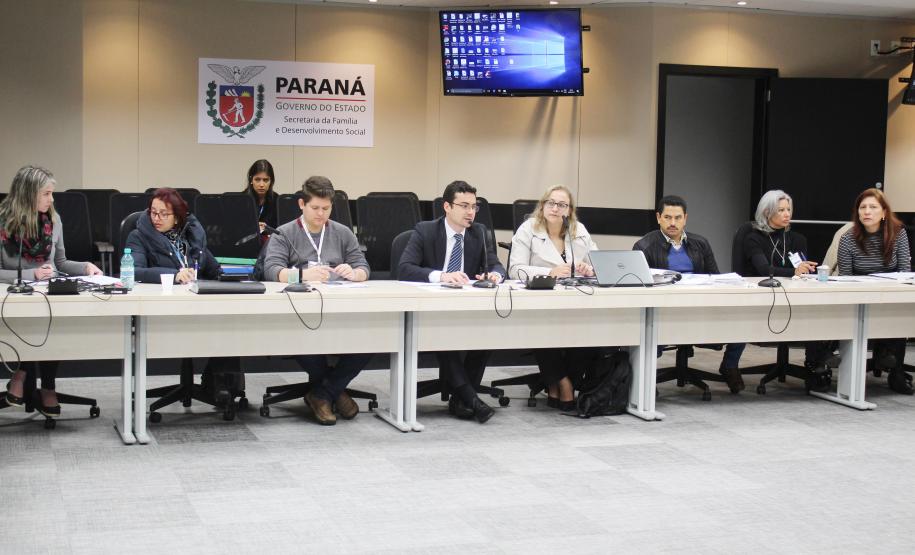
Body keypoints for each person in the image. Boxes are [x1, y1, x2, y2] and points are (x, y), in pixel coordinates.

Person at [263, 176, 371, 425]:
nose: (321, 214)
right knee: (305, 336)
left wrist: (355, 274)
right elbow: (271, 270)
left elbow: (364, 267)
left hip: (340, 310)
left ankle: (323, 393)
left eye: (326, 208)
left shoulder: (342, 233)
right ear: (302, 204)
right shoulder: (285, 233)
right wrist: (301, 274)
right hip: (300, 313)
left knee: (373, 337)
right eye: (315, 208)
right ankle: (333, 391)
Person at [0, 165, 103, 417]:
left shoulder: (53, 221)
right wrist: (29, 274)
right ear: (28, 194)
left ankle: (44, 385)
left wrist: (86, 267)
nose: (52, 199)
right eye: (46, 193)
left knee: (49, 322)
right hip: (13, 298)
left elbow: (61, 264)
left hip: (48, 296)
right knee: (33, 324)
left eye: (51, 193)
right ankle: (24, 374)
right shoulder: (4, 225)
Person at [398, 180, 504, 423]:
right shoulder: (425, 230)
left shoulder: (478, 233)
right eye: (464, 205)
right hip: (430, 308)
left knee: (488, 331)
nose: (470, 212)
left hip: (466, 306)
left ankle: (461, 399)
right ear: (447, 206)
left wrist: (495, 275)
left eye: (474, 206)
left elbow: (495, 264)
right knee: (442, 331)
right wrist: (441, 276)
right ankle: (470, 398)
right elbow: (404, 269)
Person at [125, 188, 242, 403]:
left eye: (164, 214)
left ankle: (219, 381)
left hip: (195, 307)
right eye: (153, 212)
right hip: (161, 310)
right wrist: (174, 275)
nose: (156, 218)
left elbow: (213, 267)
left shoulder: (191, 236)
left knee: (232, 320)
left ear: (178, 217)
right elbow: (135, 272)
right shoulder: (138, 236)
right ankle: (217, 383)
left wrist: (236, 276)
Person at [633, 195, 747, 393]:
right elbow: (640, 286)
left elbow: (716, 277)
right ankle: (647, 376)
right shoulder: (644, 246)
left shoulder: (700, 243)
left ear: (685, 218)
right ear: (658, 217)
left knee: (742, 320)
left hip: (699, 305)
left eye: (678, 218)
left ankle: (730, 366)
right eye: (668, 217)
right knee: (648, 332)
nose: (673, 223)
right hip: (662, 310)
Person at [508, 185, 600, 410]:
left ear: (569, 210)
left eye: (562, 204)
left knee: (591, 328)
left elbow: (598, 261)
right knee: (544, 327)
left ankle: (564, 382)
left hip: (575, 299)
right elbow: (514, 269)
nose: (555, 208)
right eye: (551, 203)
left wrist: (588, 268)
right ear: (543, 205)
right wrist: (550, 272)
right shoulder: (528, 229)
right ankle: (562, 383)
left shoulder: (579, 231)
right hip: (540, 300)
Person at [741, 189, 839, 391]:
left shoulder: (797, 239)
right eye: (781, 210)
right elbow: (763, 270)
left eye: (788, 209)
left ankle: (815, 362)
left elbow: (801, 272)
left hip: (793, 295)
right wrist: (793, 270)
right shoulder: (753, 238)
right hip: (763, 297)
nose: (787, 214)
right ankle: (816, 362)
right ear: (767, 212)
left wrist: (805, 270)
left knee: (818, 311)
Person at [838, 188, 912, 394]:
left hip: (889, 297)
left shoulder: (898, 234)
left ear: (884, 212)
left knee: (899, 315)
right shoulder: (847, 239)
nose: (867, 212)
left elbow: (905, 272)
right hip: (858, 298)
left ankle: (896, 371)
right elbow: (844, 277)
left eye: (873, 207)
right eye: (862, 207)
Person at [244, 159, 278, 235]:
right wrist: (253, 228)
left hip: (270, 244)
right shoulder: (241, 200)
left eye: (265, 180)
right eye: (257, 180)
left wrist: (268, 229)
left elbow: (281, 231)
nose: (261, 184)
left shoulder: (277, 200)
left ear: (271, 181)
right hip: (245, 244)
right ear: (251, 180)